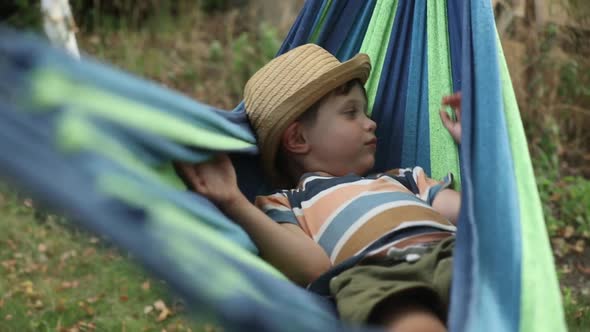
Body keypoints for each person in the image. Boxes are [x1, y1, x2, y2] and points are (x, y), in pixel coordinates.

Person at [177, 44, 463, 332]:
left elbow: (474, 216)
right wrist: (233, 201)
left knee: (493, 297)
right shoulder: (287, 203)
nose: (371, 123)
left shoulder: (404, 178)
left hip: (453, 253)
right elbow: (313, 268)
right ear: (298, 138)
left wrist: (477, 146)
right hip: (381, 277)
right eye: (351, 113)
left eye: (365, 112)